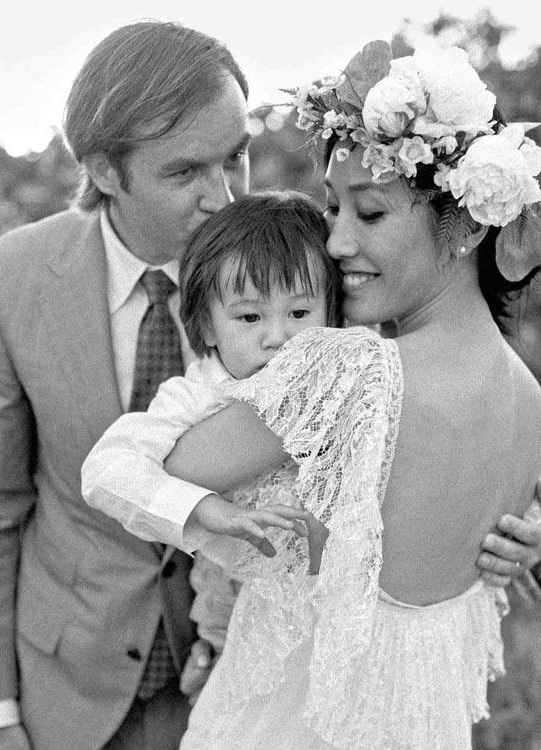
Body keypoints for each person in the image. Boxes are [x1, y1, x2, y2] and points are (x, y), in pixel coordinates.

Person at [100, 42, 541, 749]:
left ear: (465, 226)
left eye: (369, 214)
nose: (333, 243)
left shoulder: (345, 374)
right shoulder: (530, 399)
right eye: (333, 208)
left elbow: (165, 471)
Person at [0, 20, 251, 750]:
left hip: (244, 685)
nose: (224, 197)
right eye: (186, 172)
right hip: (67, 694)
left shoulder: (296, 262)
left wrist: (498, 529)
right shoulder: (8, 278)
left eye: (236, 158)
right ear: (106, 170)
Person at [81, 190, 338, 664]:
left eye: (300, 313)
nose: (278, 337)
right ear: (205, 327)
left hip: (340, 611)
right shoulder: (196, 394)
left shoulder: (351, 375)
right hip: (238, 611)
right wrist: (202, 507)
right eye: (249, 317)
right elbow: (105, 470)